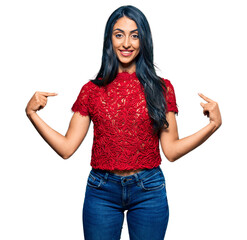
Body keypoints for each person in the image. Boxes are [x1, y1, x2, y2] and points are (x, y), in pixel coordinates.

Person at [25, 5, 222, 240]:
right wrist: (32, 115)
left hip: (148, 189)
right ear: (110, 39)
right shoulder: (91, 91)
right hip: (102, 190)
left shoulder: (162, 88)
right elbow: (67, 148)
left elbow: (171, 150)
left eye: (135, 35)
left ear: (144, 40)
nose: (126, 43)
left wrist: (212, 126)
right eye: (119, 35)